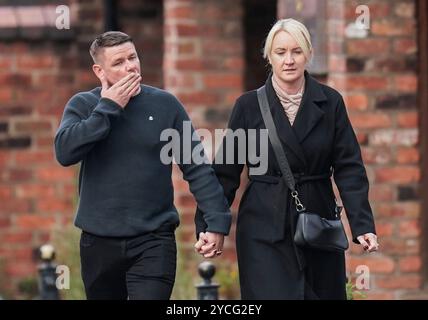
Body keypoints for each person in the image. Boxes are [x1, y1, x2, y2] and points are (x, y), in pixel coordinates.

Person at [195, 18, 379, 300]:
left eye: (297, 51)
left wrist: (362, 224)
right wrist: (211, 226)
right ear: (269, 56)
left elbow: (349, 166)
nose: (289, 60)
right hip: (263, 225)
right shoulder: (248, 106)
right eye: (281, 52)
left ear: (308, 54)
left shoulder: (330, 102)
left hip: (318, 222)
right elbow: (225, 173)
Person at [54, 31, 231, 300]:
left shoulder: (165, 105)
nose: (130, 67)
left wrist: (216, 221)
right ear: (99, 71)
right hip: (98, 244)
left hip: (154, 241)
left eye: (132, 57)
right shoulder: (84, 105)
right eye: (119, 62)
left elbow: (196, 167)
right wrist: (109, 106)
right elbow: (65, 152)